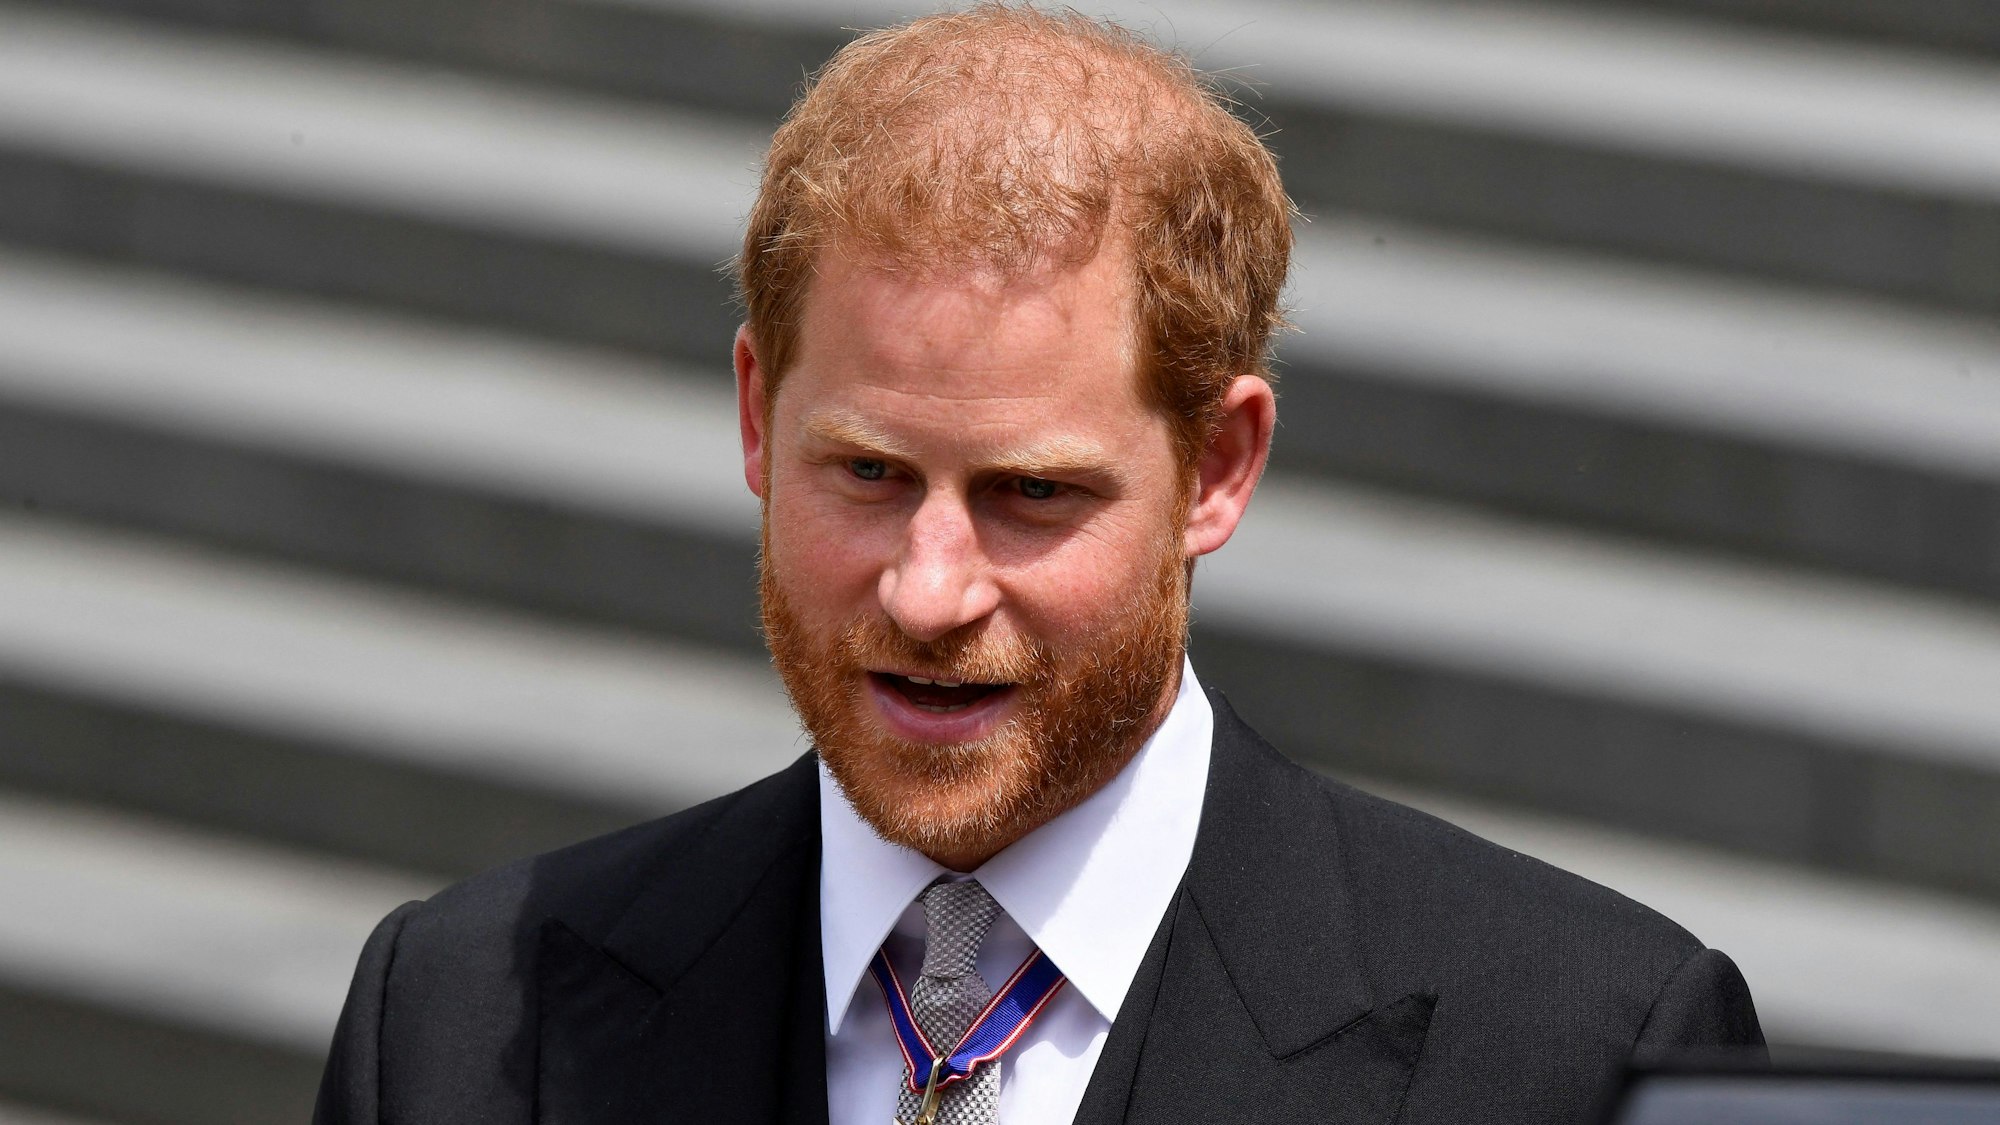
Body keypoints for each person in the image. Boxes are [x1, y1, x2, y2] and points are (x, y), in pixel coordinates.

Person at [313, 6, 1763, 1123]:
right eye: (869, 473)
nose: (929, 591)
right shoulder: (450, 1023)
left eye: (1030, 494)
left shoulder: (1584, 1054)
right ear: (758, 415)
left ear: (1220, 466)